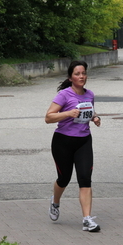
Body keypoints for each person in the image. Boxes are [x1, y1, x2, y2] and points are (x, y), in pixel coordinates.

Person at [45, 60, 101, 232]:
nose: (81, 76)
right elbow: (48, 117)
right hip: (63, 141)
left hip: (83, 141)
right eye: (77, 74)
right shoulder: (64, 95)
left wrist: (95, 118)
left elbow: (89, 111)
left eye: (83, 73)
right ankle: (55, 203)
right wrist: (68, 113)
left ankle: (87, 220)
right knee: (64, 179)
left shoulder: (89, 94)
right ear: (70, 77)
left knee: (85, 179)